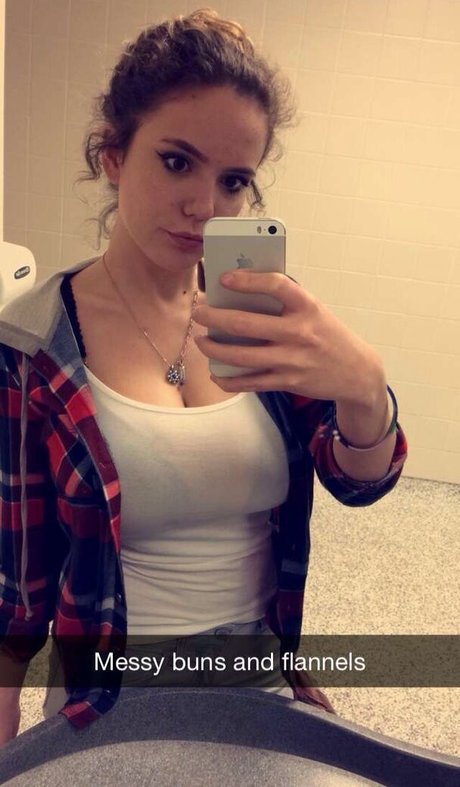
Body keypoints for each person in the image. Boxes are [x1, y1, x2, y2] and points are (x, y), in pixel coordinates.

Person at [0, 8, 407, 745]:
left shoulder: (265, 318)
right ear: (113, 155)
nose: (204, 207)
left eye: (234, 180)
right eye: (176, 162)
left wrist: (364, 388)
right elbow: (13, 600)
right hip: (112, 706)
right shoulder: (35, 346)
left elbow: (357, 480)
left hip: (263, 691)